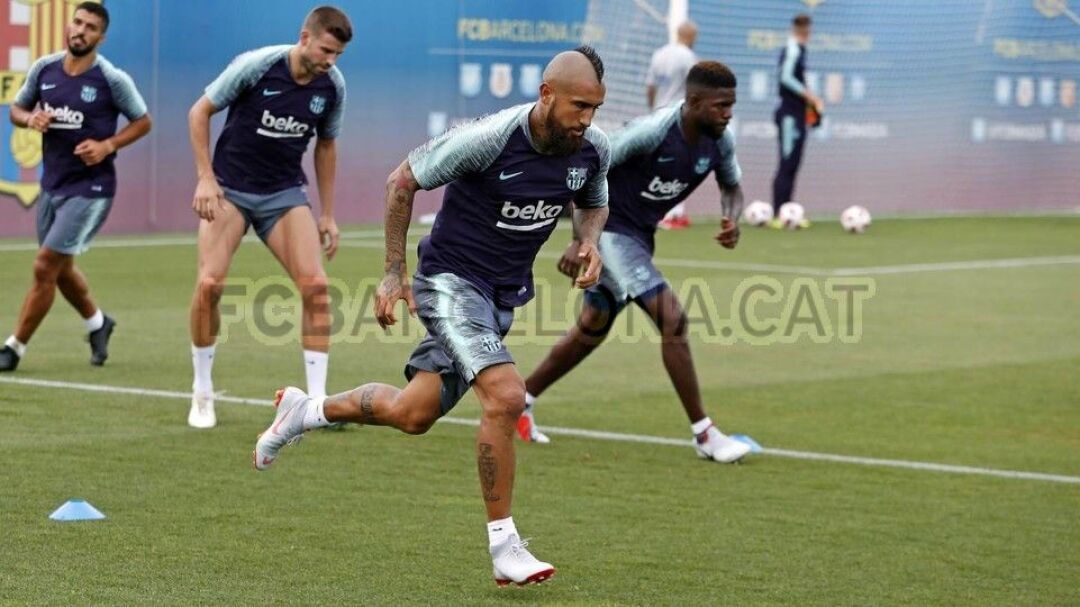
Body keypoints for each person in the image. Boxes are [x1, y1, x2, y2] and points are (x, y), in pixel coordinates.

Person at [252, 47, 611, 587]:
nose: (587, 118)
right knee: (506, 397)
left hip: (499, 296)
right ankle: (505, 548)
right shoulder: (490, 138)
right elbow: (401, 181)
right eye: (579, 106)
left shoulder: (593, 148)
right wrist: (393, 273)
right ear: (546, 95)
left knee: (413, 413)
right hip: (448, 283)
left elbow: (594, 201)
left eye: (594, 108)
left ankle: (306, 411)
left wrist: (588, 242)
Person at [517, 61, 752, 465]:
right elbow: (587, 165)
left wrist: (732, 217)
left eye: (731, 105)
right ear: (694, 101)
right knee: (672, 319)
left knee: (593, 327)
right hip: (610, 231)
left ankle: (519, 401)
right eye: (720, 106)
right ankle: (705, 434)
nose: (728, 114)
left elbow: (732, 187)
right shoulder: (653, 132)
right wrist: (581, 240)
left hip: (639, 237)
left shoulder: (720, 140)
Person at [186, 6, 350, 428]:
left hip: (283, 193)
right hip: (230, 189)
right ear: (305, 38)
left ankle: (317, 405)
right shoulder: (257, 67)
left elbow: (326, 146)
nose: (331, 60)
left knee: (316, 287)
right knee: (209, 285)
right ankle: (202, 390)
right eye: (326, 50)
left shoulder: (332, 86)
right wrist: (206, 179)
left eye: (338, 54)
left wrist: (328, 215)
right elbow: (199, 112)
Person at [0, 2, 151, 372]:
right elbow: (16, 110)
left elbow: (143, 121)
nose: (80, 31)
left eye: (90, 27)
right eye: (78, 23)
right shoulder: (45, 69)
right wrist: (30, 118)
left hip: (91, 190)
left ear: (101, 37)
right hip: (52, 185)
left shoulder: (111, 79)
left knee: (44, 266)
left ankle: (13, 348)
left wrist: (108, 145)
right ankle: (99, 323)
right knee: (60, 268)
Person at [770, 13, 822, 229]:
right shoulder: (792, 49)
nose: (806, 32)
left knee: (792, 165)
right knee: (787, 163)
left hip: (797, 113)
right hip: (789, 115)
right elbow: (785, 78)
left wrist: (810, 106)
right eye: (804, 29)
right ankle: (778, 214)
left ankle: (787, 213)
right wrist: (809, 95)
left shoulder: (800, 49)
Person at [646, 21, 698, 231]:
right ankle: (673, 213)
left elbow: (650, 86)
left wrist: (652, 109)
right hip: (679, 115)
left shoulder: (659, 54)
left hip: (659, 114)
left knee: (661, 163)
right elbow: (695, 88)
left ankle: (662, 211)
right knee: (680, 164)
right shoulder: (688, 57)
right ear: (691, 36)